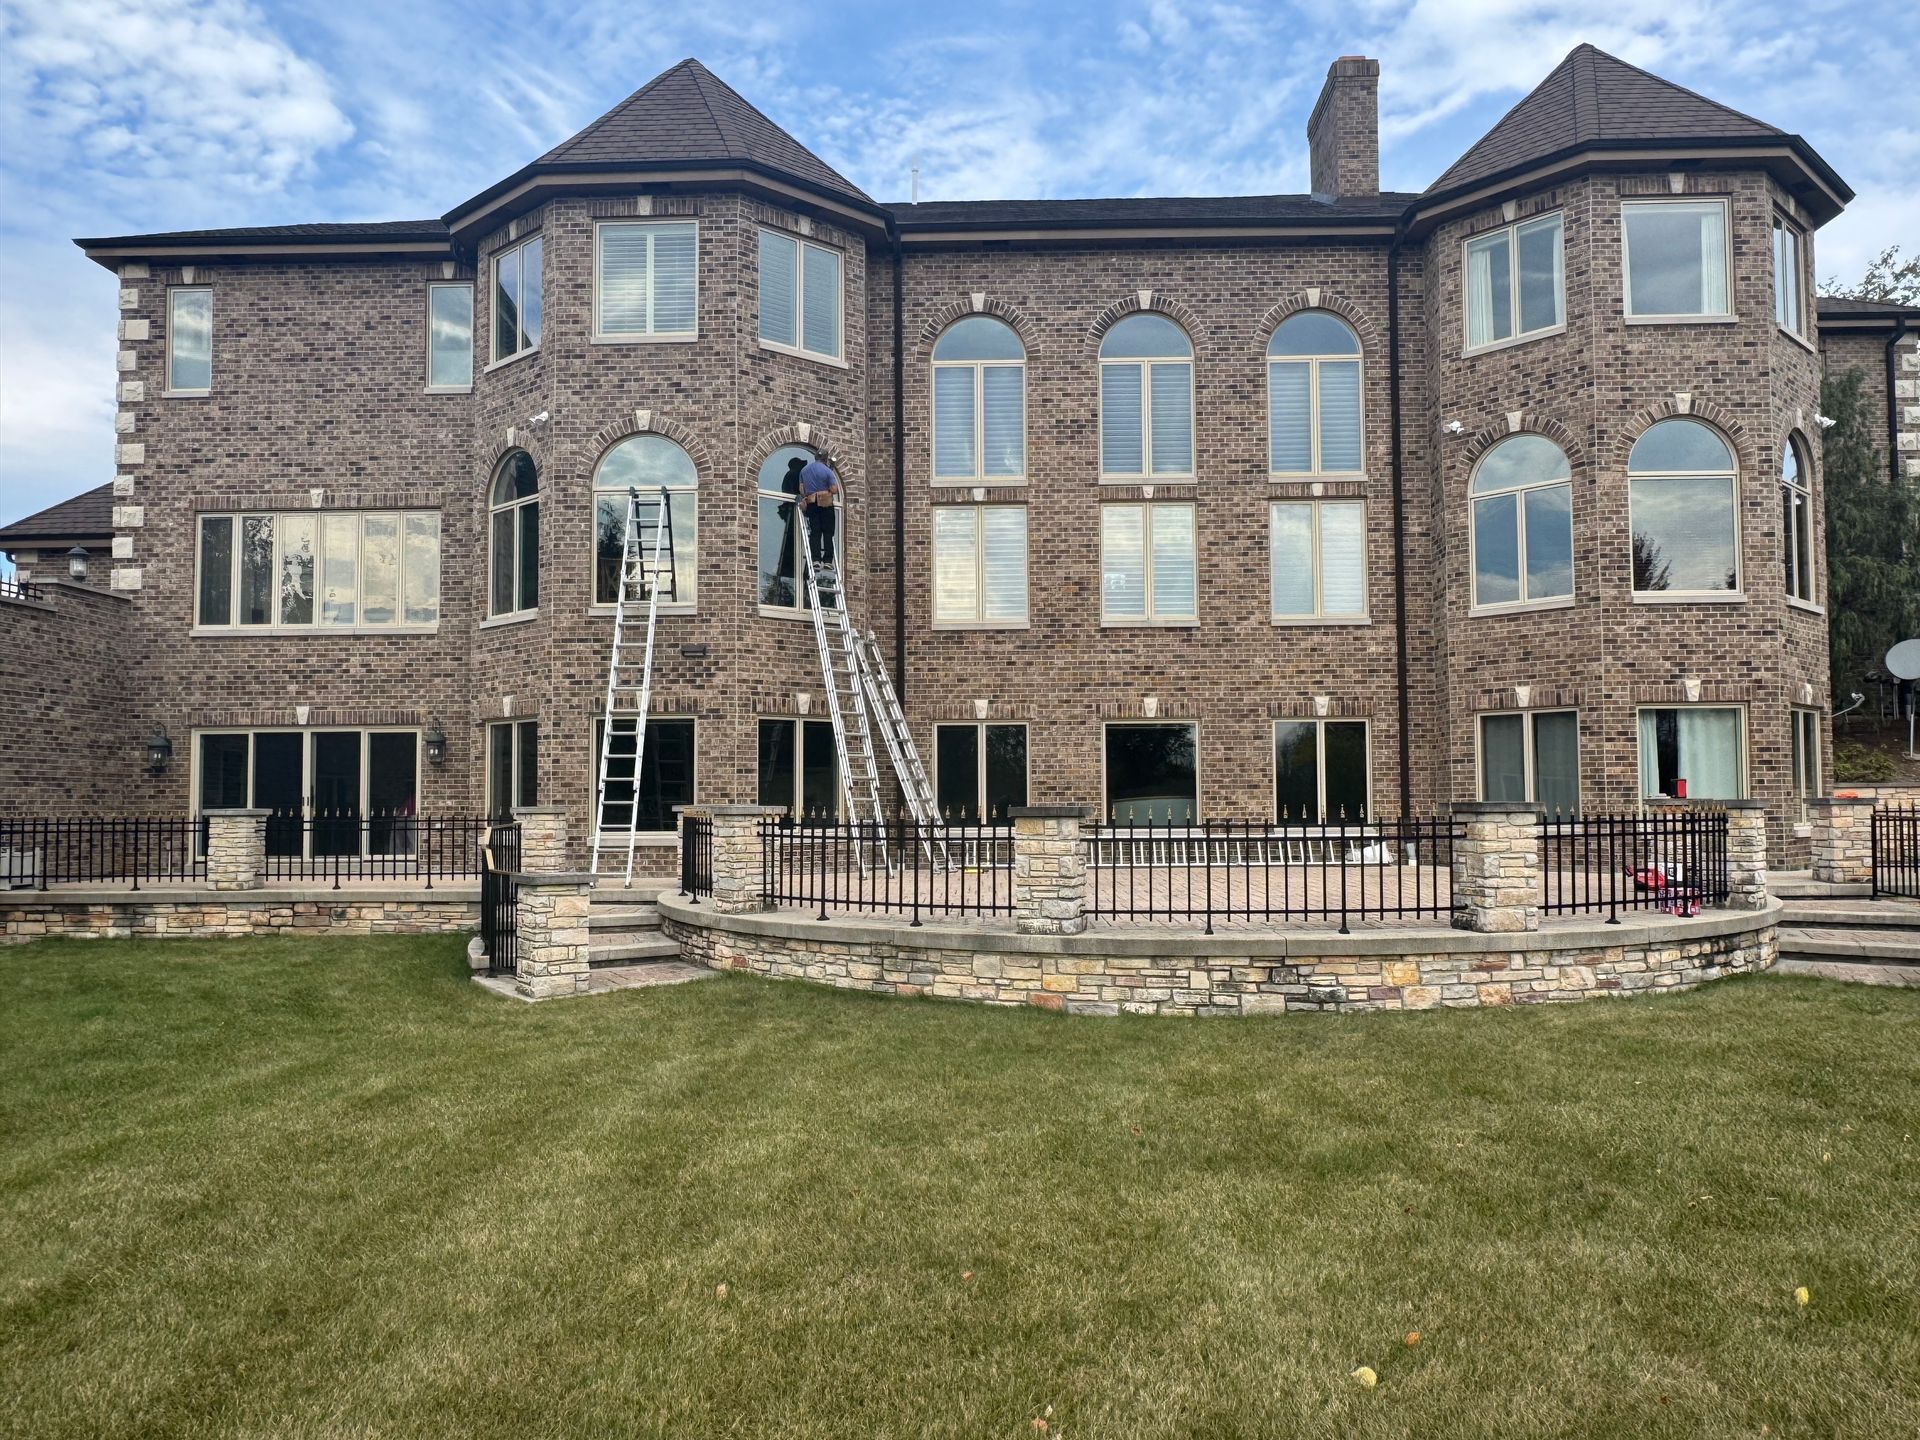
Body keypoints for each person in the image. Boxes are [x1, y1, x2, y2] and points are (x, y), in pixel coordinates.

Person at [798, 456, 841, 568]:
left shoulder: (804, 470)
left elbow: (802, 490)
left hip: (811, 502)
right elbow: (834, 490)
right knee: (828, 532)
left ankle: (815, 559)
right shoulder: (827, 471)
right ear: (825, 459)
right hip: (825, 503)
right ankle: (827, 561)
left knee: (815, 532)